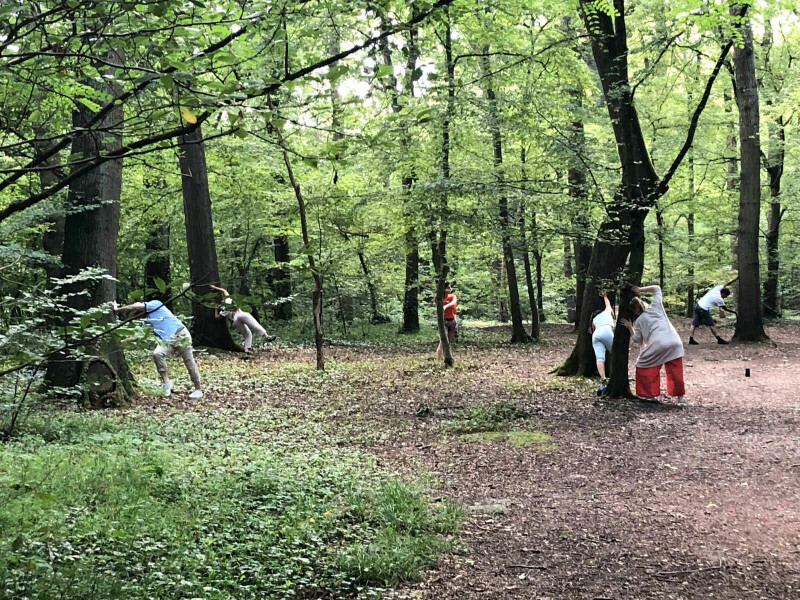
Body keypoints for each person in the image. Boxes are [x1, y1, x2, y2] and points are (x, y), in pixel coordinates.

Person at [113, 299, 203, 399]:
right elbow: (138, 336)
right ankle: (167, 383)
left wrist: (117, 309)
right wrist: (120, 342)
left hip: (180, 334)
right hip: (167, 340)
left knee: (189, 361)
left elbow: (135, 306)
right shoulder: (148, 321)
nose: (139, 314)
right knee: (157, 354)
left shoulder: (155, 304)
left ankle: (198, 389)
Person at [621, 285, 685, 403]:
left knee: (643, 365)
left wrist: (630, 328)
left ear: (635, 310)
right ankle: (680, 398)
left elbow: (636, 339)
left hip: (658, 345)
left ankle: (649, 394)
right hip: (675, 342)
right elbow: (657, 288)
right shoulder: (656, 307)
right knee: (676, 372)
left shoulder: (639, 321)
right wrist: (640, 290)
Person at [210, 284, 276, 353]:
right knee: (255, 325)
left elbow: (216, 317)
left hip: (235, 319)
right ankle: (267, 336)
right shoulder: (228, 300)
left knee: (247, 334)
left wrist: (215, 308)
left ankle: (247, 349)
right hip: (241, 314)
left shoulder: (223, 310)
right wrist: (215, 288)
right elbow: (224, 291)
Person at [689, 276, 738, 345]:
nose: (725, 298)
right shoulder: (719, 299)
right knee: (711, 324)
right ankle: (719, 339)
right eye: (725, 296)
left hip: (698, 305)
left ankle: (691, 339)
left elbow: (726, 283)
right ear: (723, 294)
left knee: (694, 323)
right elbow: (725, 309)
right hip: (704, 309)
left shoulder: (717, 288)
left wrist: (735, 279)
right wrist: (734, 312)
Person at [590, 292, 615, 395]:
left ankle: (603, 379)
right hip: (607, 330)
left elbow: (592, 330)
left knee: (600, 358)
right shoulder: (606, 312)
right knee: (616, 353)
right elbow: (608, 304)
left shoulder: (594, 319)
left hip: (596, 335)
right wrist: (605, 296)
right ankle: (619, 375)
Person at [436, 283, 458, 362]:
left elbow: (453, 303)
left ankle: (447, 357)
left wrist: (445, 306)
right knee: (442, 341)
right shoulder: (439, 298)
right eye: (448, 287)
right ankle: (438, 360)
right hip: (443, 321)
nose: (449, 289)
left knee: (448, 341)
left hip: (452, 320)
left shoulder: (453, 296)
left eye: (450, 287)